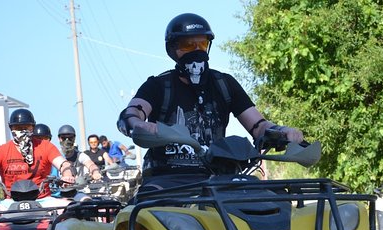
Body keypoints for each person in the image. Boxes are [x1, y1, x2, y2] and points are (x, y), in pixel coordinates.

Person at [116, 13, 303, 190]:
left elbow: (258, 126)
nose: (197, 50)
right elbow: (133, 112)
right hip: (166, 180)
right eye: (188, 45)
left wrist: (282, 131)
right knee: (151, 211)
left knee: (267, 199)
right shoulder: (158, 85)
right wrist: (138, 124)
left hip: (218, 179)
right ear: (173, 49)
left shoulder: (225, 84)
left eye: (202, 44)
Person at [0, 109, 75, 197]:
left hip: (44, 200)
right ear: (11, 129)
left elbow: (63, 164)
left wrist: (67, 174)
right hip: (10, 202)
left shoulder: (46, 147)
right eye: (18, 128)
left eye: (26, 127)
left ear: (33, 128)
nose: (22, 131)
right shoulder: (2, 151)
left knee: (72, 212)